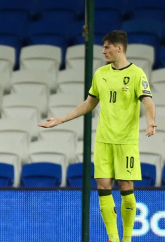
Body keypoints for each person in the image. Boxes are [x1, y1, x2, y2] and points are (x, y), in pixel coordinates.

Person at [38, 30, 157, 242]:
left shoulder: (137, 74)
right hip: (103, 140)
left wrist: (150, 121)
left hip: (126, 141)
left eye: (107, 47)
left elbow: (147, 101)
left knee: (126, 186)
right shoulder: (101, 73)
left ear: (119, 48)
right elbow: (89, 103)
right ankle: (113, 238)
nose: (103, 51)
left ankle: (127, 238)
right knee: (103, 186)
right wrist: (61, 119)